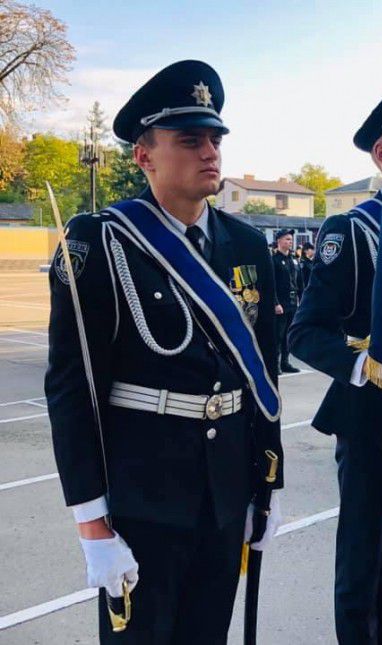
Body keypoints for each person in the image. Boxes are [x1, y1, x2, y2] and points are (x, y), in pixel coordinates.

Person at [44, 60, 283, 643]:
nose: (210, 152)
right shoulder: (100, 243)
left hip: (226, 494)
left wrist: (265, 485)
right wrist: (91, 523)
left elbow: (263, 379)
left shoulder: (247, 244)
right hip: (142, 502)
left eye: (215, 138)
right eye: (190, 140)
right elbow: (73, 390)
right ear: (144, 156)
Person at [289, 90, 382, 645]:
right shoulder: (350, 230)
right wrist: (363, 366)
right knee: (364, 554)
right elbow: (305, 332)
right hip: (370, 411)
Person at [272, 228, 300, 373]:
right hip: (280, 303)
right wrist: (276, 303)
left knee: (288, 335)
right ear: (279, 241)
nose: (290, 242)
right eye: (287, 239)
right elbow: (271, 283)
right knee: (278, 335)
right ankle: (275, 363)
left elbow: (298, 281)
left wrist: (301, 298)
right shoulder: (274, 260)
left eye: (291, 239)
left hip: (292, 302)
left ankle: (285, 362)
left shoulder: (293, 260)